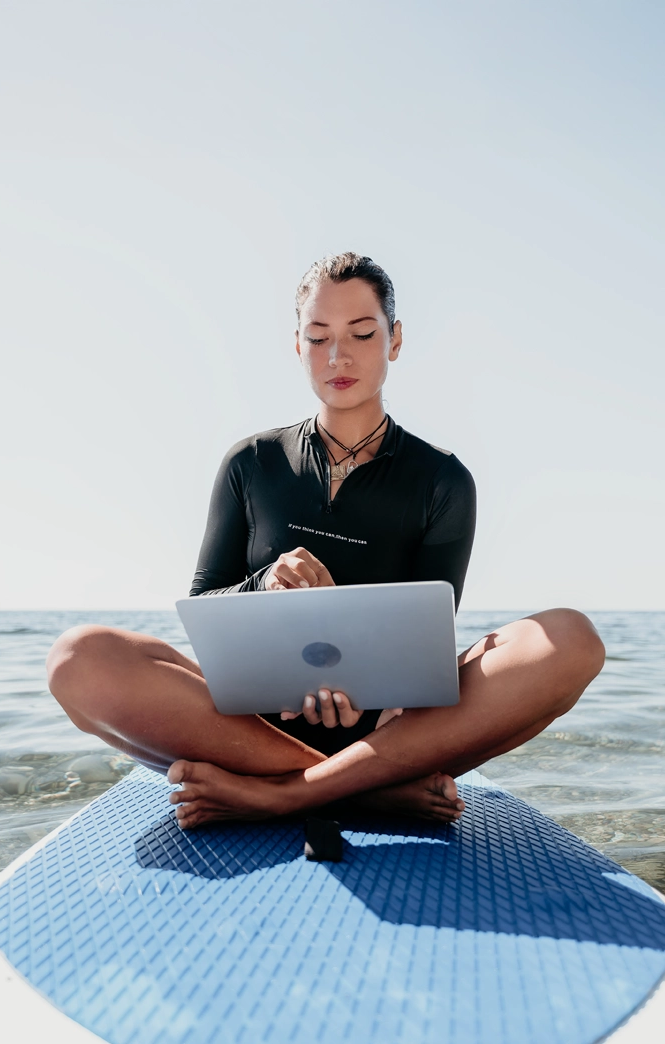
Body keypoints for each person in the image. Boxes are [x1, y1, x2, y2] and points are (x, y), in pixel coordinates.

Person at [47, 253, 605, 828]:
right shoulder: (251, 463)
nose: (338, 356)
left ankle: (289, 793)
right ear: (296, 345)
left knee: (570, 641)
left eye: (362, 333)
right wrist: (264, 584)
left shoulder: (442, 480)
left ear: (395, 339)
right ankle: (355, 791)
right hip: (251, 727)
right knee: (77, 659)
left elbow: (430, 642)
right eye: (318, 338)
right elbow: (206, 604)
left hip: (391, 731)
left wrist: (377, 697)